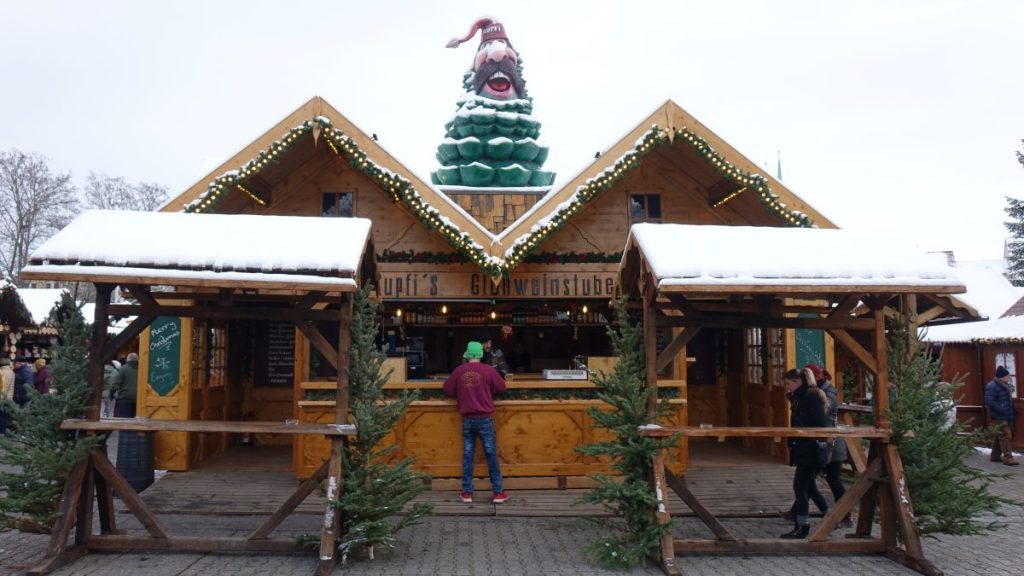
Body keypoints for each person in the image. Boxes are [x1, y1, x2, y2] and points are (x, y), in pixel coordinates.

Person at [780, 365, 853, 528]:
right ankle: (824, 515)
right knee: (808, 483)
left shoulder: (818, 395)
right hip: (820, 444)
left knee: (828, 481)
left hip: (827, 445)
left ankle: (842, 515)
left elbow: (819, 421)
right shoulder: (812, 393)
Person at [443, 341, 508, 504]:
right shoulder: (489, 370)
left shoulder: (459, 371)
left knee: (468, 454)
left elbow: (448, 389)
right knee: (491, 454)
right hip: (485, 419)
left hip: (467, 420)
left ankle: (467, 492)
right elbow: (502, 387)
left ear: (467, 354)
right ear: (480, 354)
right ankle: (498, 493)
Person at [781, 367, 829, 539]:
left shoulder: (811, 396)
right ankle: (831, 518)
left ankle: (803, 526)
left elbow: (818, 424)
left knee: (800, 487)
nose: (787, 387)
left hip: (811, 449)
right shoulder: (800, 397)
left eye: (788, 384)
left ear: (797, 381)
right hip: (804, 448)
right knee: (809, 487)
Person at [985, 366, 1019, 466]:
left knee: (999, 435)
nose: (1009, 378)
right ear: (1001, 377)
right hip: (998, 416)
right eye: (1007, 376)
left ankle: (995, 455)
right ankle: (1008, 458)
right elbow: (989, 401)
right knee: (1005, 435)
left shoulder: (1004, 385)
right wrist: (1002, 409)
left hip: (1005, 415)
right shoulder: (992, 386)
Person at [113, 352, 139, 418]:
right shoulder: (142, 369)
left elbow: (116, 384)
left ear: (128, 359)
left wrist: (115, 393)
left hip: (124, 399)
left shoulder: (123, 368)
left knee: (124, 420)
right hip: (138, 399)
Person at [0, 358, 14, 433]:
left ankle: (2, 431)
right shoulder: (12, 372)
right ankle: (5, 430)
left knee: (1, 415)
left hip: (2, 397)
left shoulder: (1, 372)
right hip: (9, 397)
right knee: (5, 415)